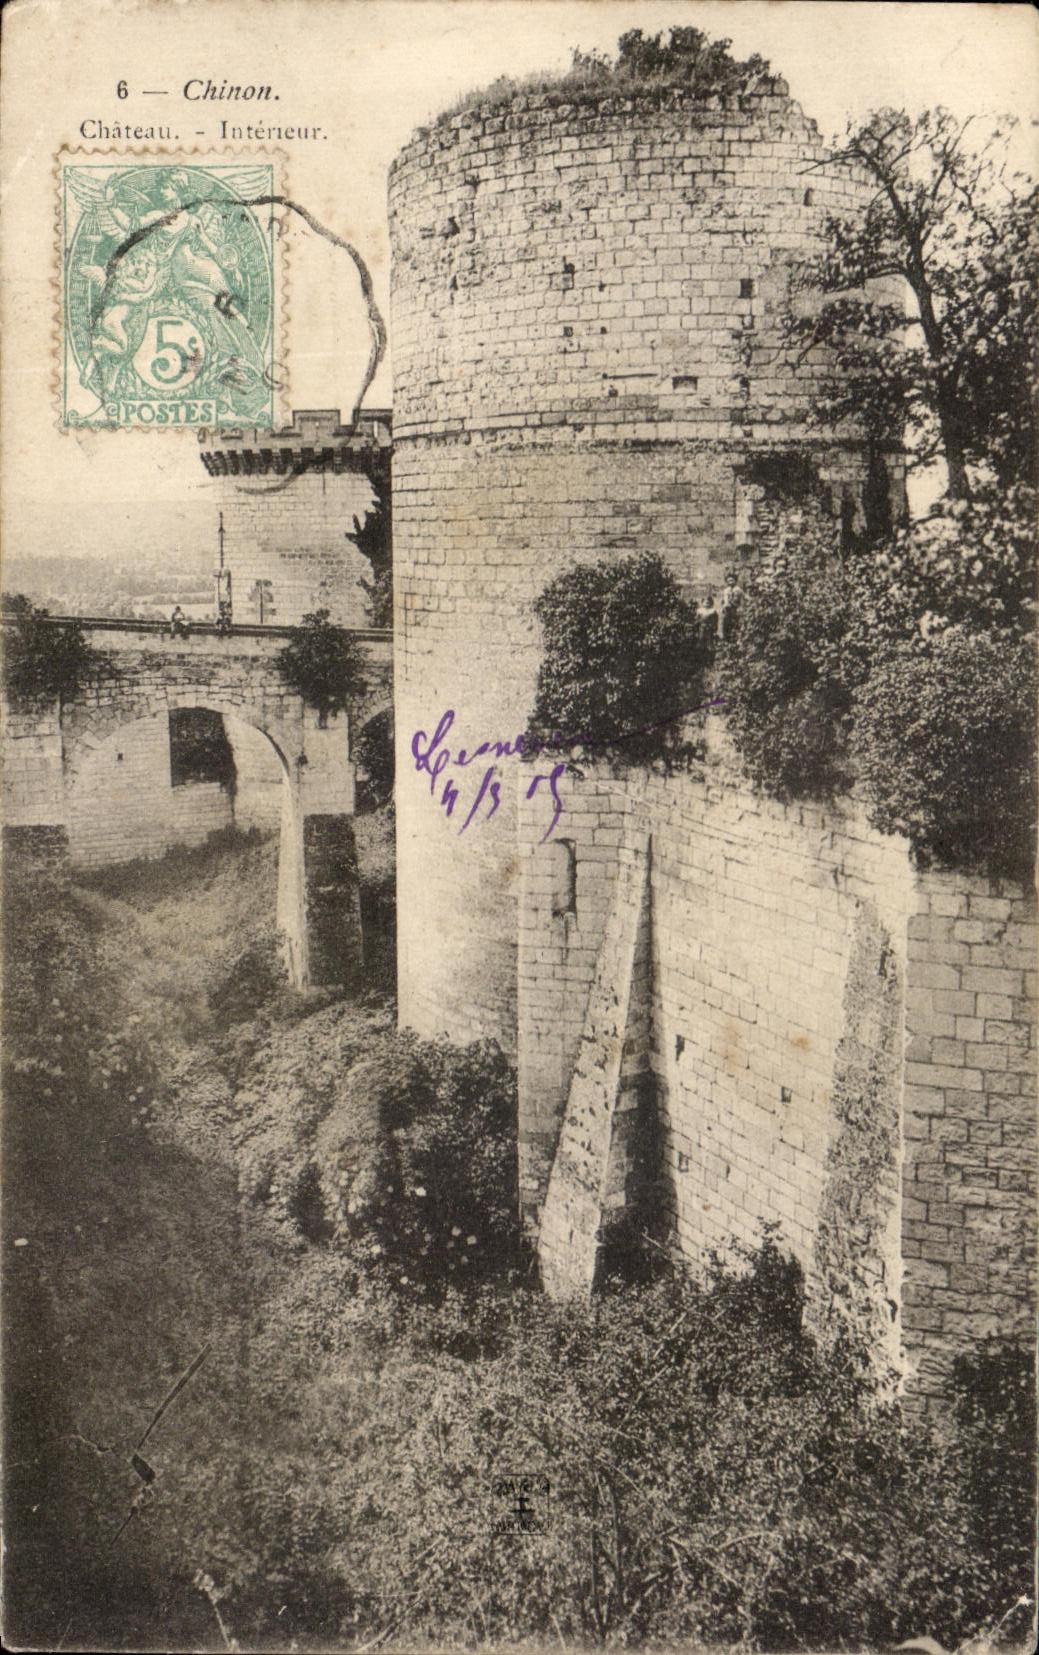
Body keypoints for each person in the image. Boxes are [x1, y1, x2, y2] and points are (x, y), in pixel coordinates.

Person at [720, 569, 743, 645]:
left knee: (737, 624)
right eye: (728, 581)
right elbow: (723, 600)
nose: (730, 582)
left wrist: (739, 607)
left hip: (735, 609)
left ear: (735, 581)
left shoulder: (738, 590)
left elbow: (741, 600)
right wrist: (723, 604)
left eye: (732, 580)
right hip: (727, 610)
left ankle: (738, 640)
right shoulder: (726, 590)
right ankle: (726, 640)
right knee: (726, 624)